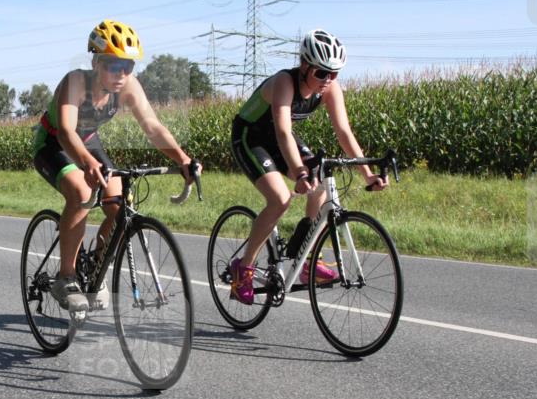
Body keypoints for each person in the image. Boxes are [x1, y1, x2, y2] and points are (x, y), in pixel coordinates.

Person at [32, 19, 198, 313]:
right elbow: (69, 132)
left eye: (128, 66)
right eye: (114, 66)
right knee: (81, 193)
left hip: (89, 142)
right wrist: (86, 163)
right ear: (96, 62)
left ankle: (95, 267)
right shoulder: (75, 83)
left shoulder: (128, 87)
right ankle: (66, 277)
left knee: (120, 207)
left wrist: (182, 158)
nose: (121, 74)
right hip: (54, 143)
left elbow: (152, 127)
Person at [227, 29, 387, 304]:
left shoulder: (330, 88)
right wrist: (299, 172)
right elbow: (283, 132)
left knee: (320, 187)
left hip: (280, 138)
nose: (328, 80)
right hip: (251, 137)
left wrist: (367, 174)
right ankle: (244, 268)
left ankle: (307, 261)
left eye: (334, 73)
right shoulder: (284, 82)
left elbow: (344, 132)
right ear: (304, 65)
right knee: (280, 199)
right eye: (321, 73)